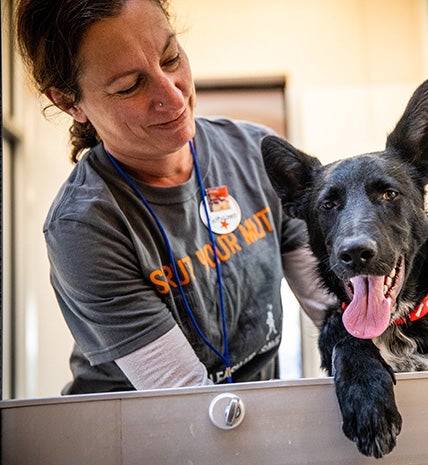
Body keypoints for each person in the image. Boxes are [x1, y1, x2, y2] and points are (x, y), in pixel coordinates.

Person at [16, 0, 332, 394]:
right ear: (68, 101)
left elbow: (333, 310)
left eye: (170, 58)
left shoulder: (255, 155)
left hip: (250, 416)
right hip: (139, 435)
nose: (173, 94)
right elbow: (183, 401)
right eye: (129, 86)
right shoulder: (85, 226)